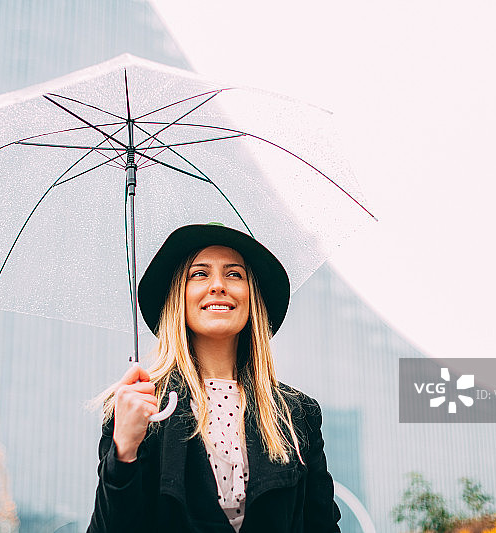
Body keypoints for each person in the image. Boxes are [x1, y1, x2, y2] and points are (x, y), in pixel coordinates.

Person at [88, 223, 341, 533]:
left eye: (234, 274)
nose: (219, 285)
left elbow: (322, 526)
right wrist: (124, 450)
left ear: (252, 297)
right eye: (199, 274)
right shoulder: (141, 406)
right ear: (177, 296)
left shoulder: (297, 413)